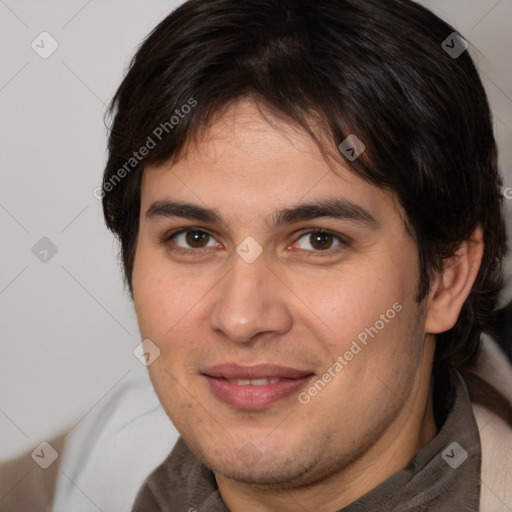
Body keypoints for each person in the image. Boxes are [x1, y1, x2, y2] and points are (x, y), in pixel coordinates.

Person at [100, 0, 511, 510]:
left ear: (447, 276)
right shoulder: (85, 466)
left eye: (319, 240)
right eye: (195, 238)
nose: (242, 318)